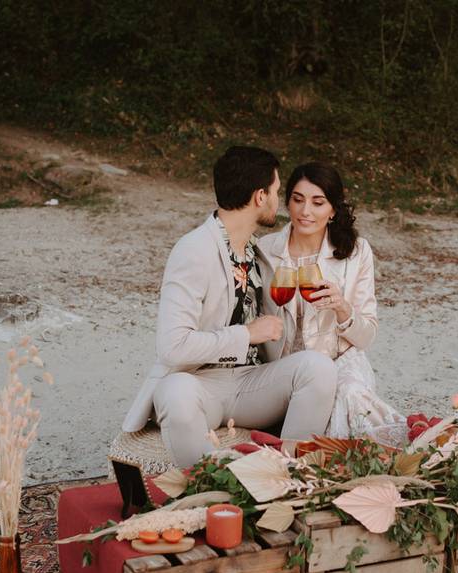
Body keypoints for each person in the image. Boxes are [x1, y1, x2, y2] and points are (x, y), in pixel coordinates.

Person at [121, 147, 338, 467]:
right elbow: (172, 347)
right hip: (200, 384)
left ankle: (288, 472)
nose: (279, 202)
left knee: (318, 368)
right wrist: (246, 334)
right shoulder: (193, 251)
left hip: (251, 383)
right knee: (174, 392)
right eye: (277, 192)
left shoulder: (257, 251)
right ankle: (209, 485)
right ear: (260, 196)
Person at [258, 162, 406, 446]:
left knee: (349, 395)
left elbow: (366, 336)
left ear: (333, 209)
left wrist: (342, 309)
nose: (305, 211)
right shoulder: (266, 250)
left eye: (317, 202)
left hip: (340, 361)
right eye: (297, 200)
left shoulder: (356, 252)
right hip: (284, 366)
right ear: (287, 202)